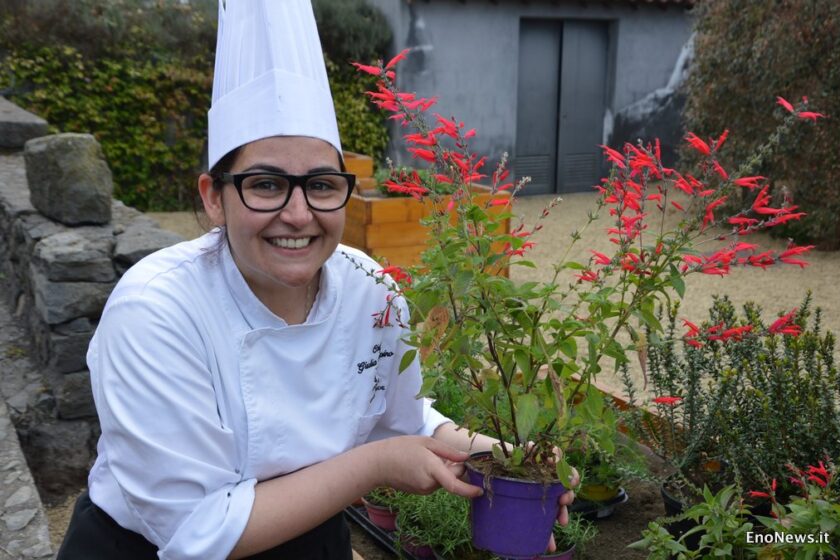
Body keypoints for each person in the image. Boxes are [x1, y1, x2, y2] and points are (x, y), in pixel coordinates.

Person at [57, 2, 575, 559]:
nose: (299, 214)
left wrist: (499, 457)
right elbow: (197, 532)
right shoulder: (156, 309)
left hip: (311, 537)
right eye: (265, 184)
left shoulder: (369, 287)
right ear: (214, 197)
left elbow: (401, 417)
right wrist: (375, 466)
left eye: (322, 185)